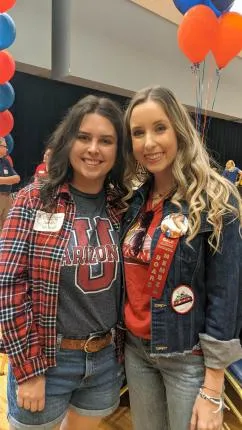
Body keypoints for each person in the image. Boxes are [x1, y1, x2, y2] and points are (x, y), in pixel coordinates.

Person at [0, 95, 130, 430]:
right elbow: (8, 285)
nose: (93, 149)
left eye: (106, 140)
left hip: (103, 361)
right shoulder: (35, 199)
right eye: (84, 137)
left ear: (118, 150)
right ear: (67, 140)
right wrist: (29, 370)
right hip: (45, 360)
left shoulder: (122, 208)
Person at [120, 86, 242, 430]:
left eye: (160, 128)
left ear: (179, 129)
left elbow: (226, 296)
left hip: (188, 357)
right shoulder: (134, 201)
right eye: (138, 133)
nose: (149, 142)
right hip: (136, 350)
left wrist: (214, 388)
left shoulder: (218, 200)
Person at [0, 136, 20, 232]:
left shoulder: (5, 161)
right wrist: (9, 180)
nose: (7, 149)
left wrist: (3, 180)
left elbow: (17, 178)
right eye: (4, 146)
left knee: (7, 226)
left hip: (7, 197)